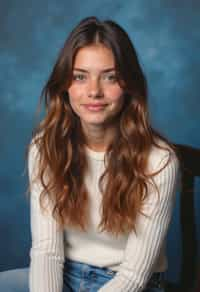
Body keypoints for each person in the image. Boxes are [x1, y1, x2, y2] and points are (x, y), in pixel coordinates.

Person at [0, 16, 180, 292]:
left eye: (110, 77)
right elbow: (47, 252)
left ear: (128, 85)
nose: (94, 91)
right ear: (65, 85)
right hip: (65, 273)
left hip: (131, 284)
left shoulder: (159, 161)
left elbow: (133, 277)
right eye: (80, 77)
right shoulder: (45, 148)